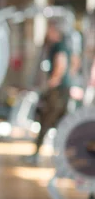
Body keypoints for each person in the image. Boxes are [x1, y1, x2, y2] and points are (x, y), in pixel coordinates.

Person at [29, 19, 72, 162]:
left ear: (54, 31)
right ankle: (64, 155)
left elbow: (61, 63)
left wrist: (52, 82)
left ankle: (36, 154)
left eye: (49, 30)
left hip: (57, 90)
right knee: (61, 122)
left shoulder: (58, 46)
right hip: (63, 89)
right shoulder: (64, 46)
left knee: (46, 121)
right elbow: (74, 62)